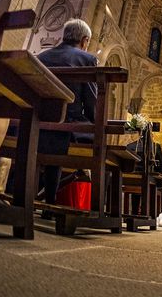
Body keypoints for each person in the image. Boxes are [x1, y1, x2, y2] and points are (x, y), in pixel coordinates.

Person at [37, 18, 97, 206]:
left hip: (40, 125)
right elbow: (91, 99)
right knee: (97, 146)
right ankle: (93, 204)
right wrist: (95, 125)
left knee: (52, 146)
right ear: (85, 40)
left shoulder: (41, 57)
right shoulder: (87, 59)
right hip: (70, 126)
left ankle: (49, 200)